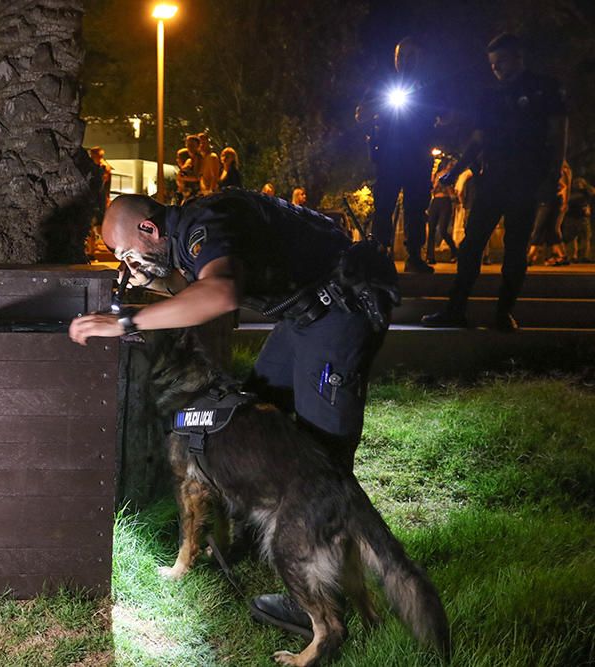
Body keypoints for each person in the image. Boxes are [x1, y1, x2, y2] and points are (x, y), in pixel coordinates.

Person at [68, 191, 398, 640]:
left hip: (339, 311)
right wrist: (134, 293)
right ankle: (263, 531)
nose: (131, 268)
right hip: (303, 312)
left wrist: (126, 323)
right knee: (253, 413)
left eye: (129, 255)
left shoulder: (205, 225)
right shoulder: (186, 232)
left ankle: (324, 594)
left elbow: (220, 293)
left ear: (149, 228)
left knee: (323, 454)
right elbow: (190, 290)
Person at [422, 33, 568, 332]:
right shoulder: (490, 95)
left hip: (526, 179)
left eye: (501, 61)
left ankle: (503, 313)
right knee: (472, 244)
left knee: (515, 250)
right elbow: (479, 138)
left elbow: (558, 133)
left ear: (518, 57)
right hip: (493, 178)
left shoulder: (544, 88)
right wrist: (455, 169)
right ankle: (456, 310)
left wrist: (552, 177)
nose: (496, 68)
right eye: (492, 64)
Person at [356, 37, 450, 274]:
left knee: (416, 207)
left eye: (411, 56)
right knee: (384, 206)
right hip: (388, 156)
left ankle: (414, 256)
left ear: (420, 59)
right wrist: (378, 105)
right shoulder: (381, 85)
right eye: (402, 56)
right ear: (395, 58)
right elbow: (361, 115)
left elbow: (448, 115)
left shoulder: (430, 87)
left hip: (418, 157)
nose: (406, 61)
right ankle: (379, 256)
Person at [527, 161, 571, 266]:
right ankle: (562, 256)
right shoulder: (554, 169)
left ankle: (530, 256)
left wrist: (564, 202)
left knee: (539, 227)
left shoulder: (557, 169)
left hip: (548, 201)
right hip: (549, 201)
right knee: (552, 230)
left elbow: (564, 186)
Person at [426, 157, 459, 263]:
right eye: (449, 164)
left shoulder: (451, 176)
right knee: (431, 228)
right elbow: (432, 188)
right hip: (435, 201)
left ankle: (454, 251)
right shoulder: (436, 175)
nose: (451, 167)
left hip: (445, 201)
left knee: (443, 229)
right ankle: (430, 256)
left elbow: (451, 192)